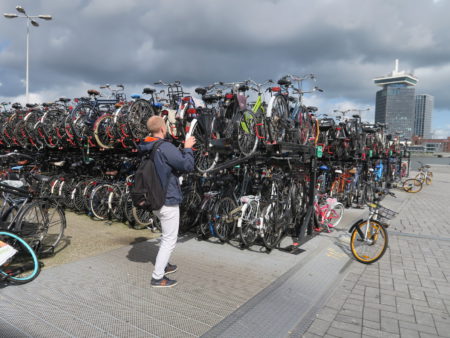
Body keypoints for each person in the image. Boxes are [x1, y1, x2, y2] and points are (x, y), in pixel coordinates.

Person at [139, 116, 195, 288]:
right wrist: (187, 149)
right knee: (169, 240)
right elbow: (187, 165)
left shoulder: (146, 146)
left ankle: (165, 265)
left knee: (165, 235)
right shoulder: (164, 147)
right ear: (163, 129)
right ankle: (157, 277)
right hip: (167, 198)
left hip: (153, 197)